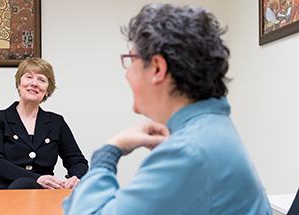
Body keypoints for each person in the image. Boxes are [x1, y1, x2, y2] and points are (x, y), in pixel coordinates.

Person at [63, 3, 272, 214]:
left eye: (131, 60)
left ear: (157, 68)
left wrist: (110, 150)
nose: (127, 73)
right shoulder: (211, 128)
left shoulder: (188, 151)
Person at [0, 58, 88, 190]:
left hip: (41, 193)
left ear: (47, 90)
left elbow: (77, 161)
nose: (34, 83)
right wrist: (36, 178)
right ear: (19, 84)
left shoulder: (56, 122)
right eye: (29, 77)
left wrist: (76, 177)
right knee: (23, 184)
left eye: (41, 80)